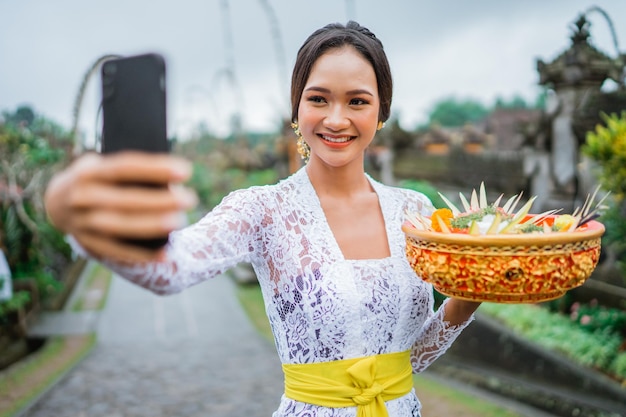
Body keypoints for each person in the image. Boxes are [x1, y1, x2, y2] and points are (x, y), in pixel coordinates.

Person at [44, 21, 480, 417]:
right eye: (318, 98)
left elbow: (408, 359)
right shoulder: (262, 210)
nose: (335, 118)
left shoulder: (415, 213)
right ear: (296, 108)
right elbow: (171, 269)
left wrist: (467, 299)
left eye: (357, 101)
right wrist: (69, 212)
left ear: (381, 112)